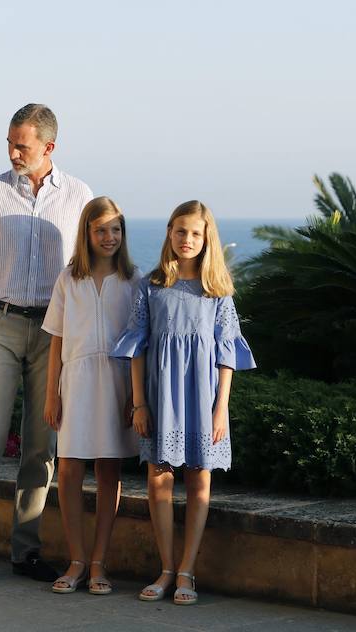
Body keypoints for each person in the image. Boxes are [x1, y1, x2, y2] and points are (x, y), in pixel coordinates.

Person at [0, 104, 93, 585]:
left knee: (41, 445)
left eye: (23, 145)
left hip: (54, 335)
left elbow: (88, 269)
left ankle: (26, 551)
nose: (13, 152)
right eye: (10, 142)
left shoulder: (79, 196)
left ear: (49, 148)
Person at [111, 200, 256, 605]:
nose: (186, 240)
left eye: (195, 233)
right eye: (179, 231)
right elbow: (136, 346)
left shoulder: (218, 292)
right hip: (161, 397)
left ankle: (188, 572)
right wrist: (140, 403)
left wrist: (221, 407)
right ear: (169, 235)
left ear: (207, 237)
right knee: (158, 477)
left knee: (199, 479)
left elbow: (227, 354)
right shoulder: (152, 285)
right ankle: (166, 569)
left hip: (203, 397)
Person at [42, 196, 140, 595]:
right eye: (100, 229)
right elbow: (56, 342)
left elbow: (139, 344)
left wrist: (134, 395)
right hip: (77, 381)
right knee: (67, 469)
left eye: (115, 229)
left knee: (108, 470)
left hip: (116, 381)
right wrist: (52, 393)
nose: (109, 236)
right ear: (87, 233)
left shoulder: (134, 281)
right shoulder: (69, 279)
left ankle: (99, 562)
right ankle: (76, 559)